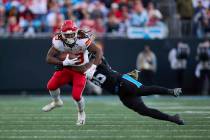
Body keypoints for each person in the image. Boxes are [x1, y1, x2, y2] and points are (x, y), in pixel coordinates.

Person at [42, 20, 103, 126]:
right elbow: (48, 58)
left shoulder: (83, 39)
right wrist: (63, 62)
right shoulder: (58, 41)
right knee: (51, 86)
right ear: (61, 34)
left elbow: (98, 51)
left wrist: (93, 68)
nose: (69, 37)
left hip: (80, 70)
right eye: (67, 35)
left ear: (76, 32)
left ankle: (81, 113)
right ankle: (57, 102)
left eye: (71, 34)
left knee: (76, 96)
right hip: (67, 68)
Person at [89, 57, 184, 125]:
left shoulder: (97, 61)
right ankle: (172, 118)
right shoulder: (83, 70)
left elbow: (98, 53)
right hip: (120, 93)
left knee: (143, 90)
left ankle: (171, 91)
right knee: (143, 111)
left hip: (123, 81)